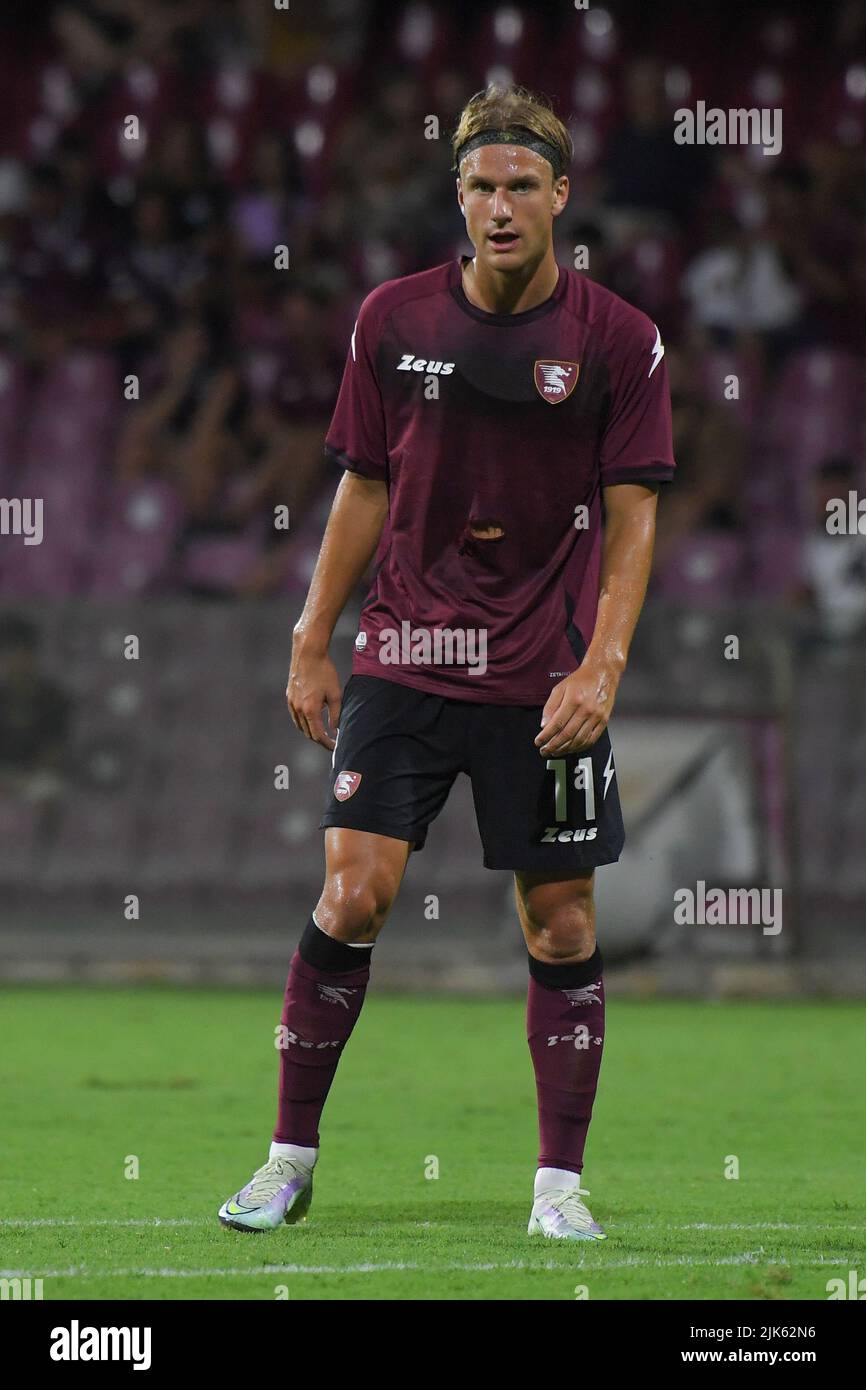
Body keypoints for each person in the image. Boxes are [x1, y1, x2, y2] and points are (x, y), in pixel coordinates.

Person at [219, 83, 675, 1241]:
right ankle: (285, 1162)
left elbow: (633, 517)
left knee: (560, 925)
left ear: (559, 195)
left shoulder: (618, 340)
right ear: (456, 194)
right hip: (406, 653)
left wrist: (602, 667)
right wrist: (311, 634)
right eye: (479, 186)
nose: (499, 207)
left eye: (521, 185)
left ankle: (557, 1189)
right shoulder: (391, 319)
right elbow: (362, 484)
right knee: (351, 891)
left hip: (544, 675)